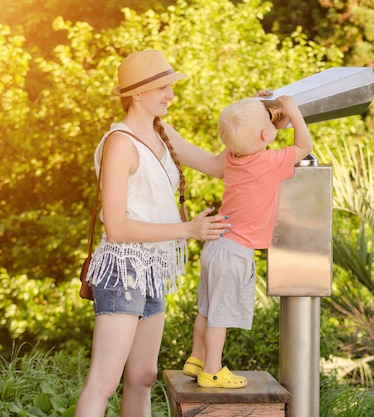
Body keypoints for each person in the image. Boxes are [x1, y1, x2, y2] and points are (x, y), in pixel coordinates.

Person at [74, 49, 233, 417]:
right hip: (122, 269)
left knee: (144, 377)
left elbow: (216, 165)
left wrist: (263, 119)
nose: (170, 95)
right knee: (104, 381)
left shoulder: (163, 134)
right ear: (136, 94)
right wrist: (188, 229)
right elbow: (115, 228)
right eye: (163, 87)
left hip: (153, 269)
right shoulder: (119, 143)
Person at [182, 95, 313, 388]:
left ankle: (196, 359)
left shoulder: (232, 157)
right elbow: (305, 146)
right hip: (235, 252)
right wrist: (292, 111)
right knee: (219, 314)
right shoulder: (269, 162)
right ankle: (212, 370)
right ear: (266, 134)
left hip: (215, 245)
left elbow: (250, 133)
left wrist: (261, 109)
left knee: (206, 308)